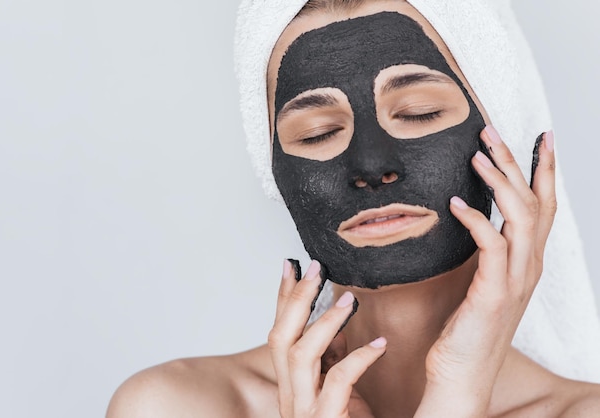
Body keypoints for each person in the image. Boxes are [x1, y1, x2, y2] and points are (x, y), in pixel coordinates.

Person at [106, 0, 600, 416]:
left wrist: (459, 389)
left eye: (417, 112)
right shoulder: (180, 406)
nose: (370, 164)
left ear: (503, 139)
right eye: (317, 132)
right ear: (274, 172)